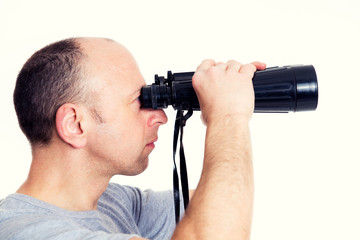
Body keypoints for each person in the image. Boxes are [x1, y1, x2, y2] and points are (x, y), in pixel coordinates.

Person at [0, 37, 266, 240]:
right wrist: (228, 115)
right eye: (138, 101)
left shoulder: (113, 201)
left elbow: (227, 206)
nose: (160, 117)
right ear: (75, 124)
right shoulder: (27, 231)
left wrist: (229, 90)